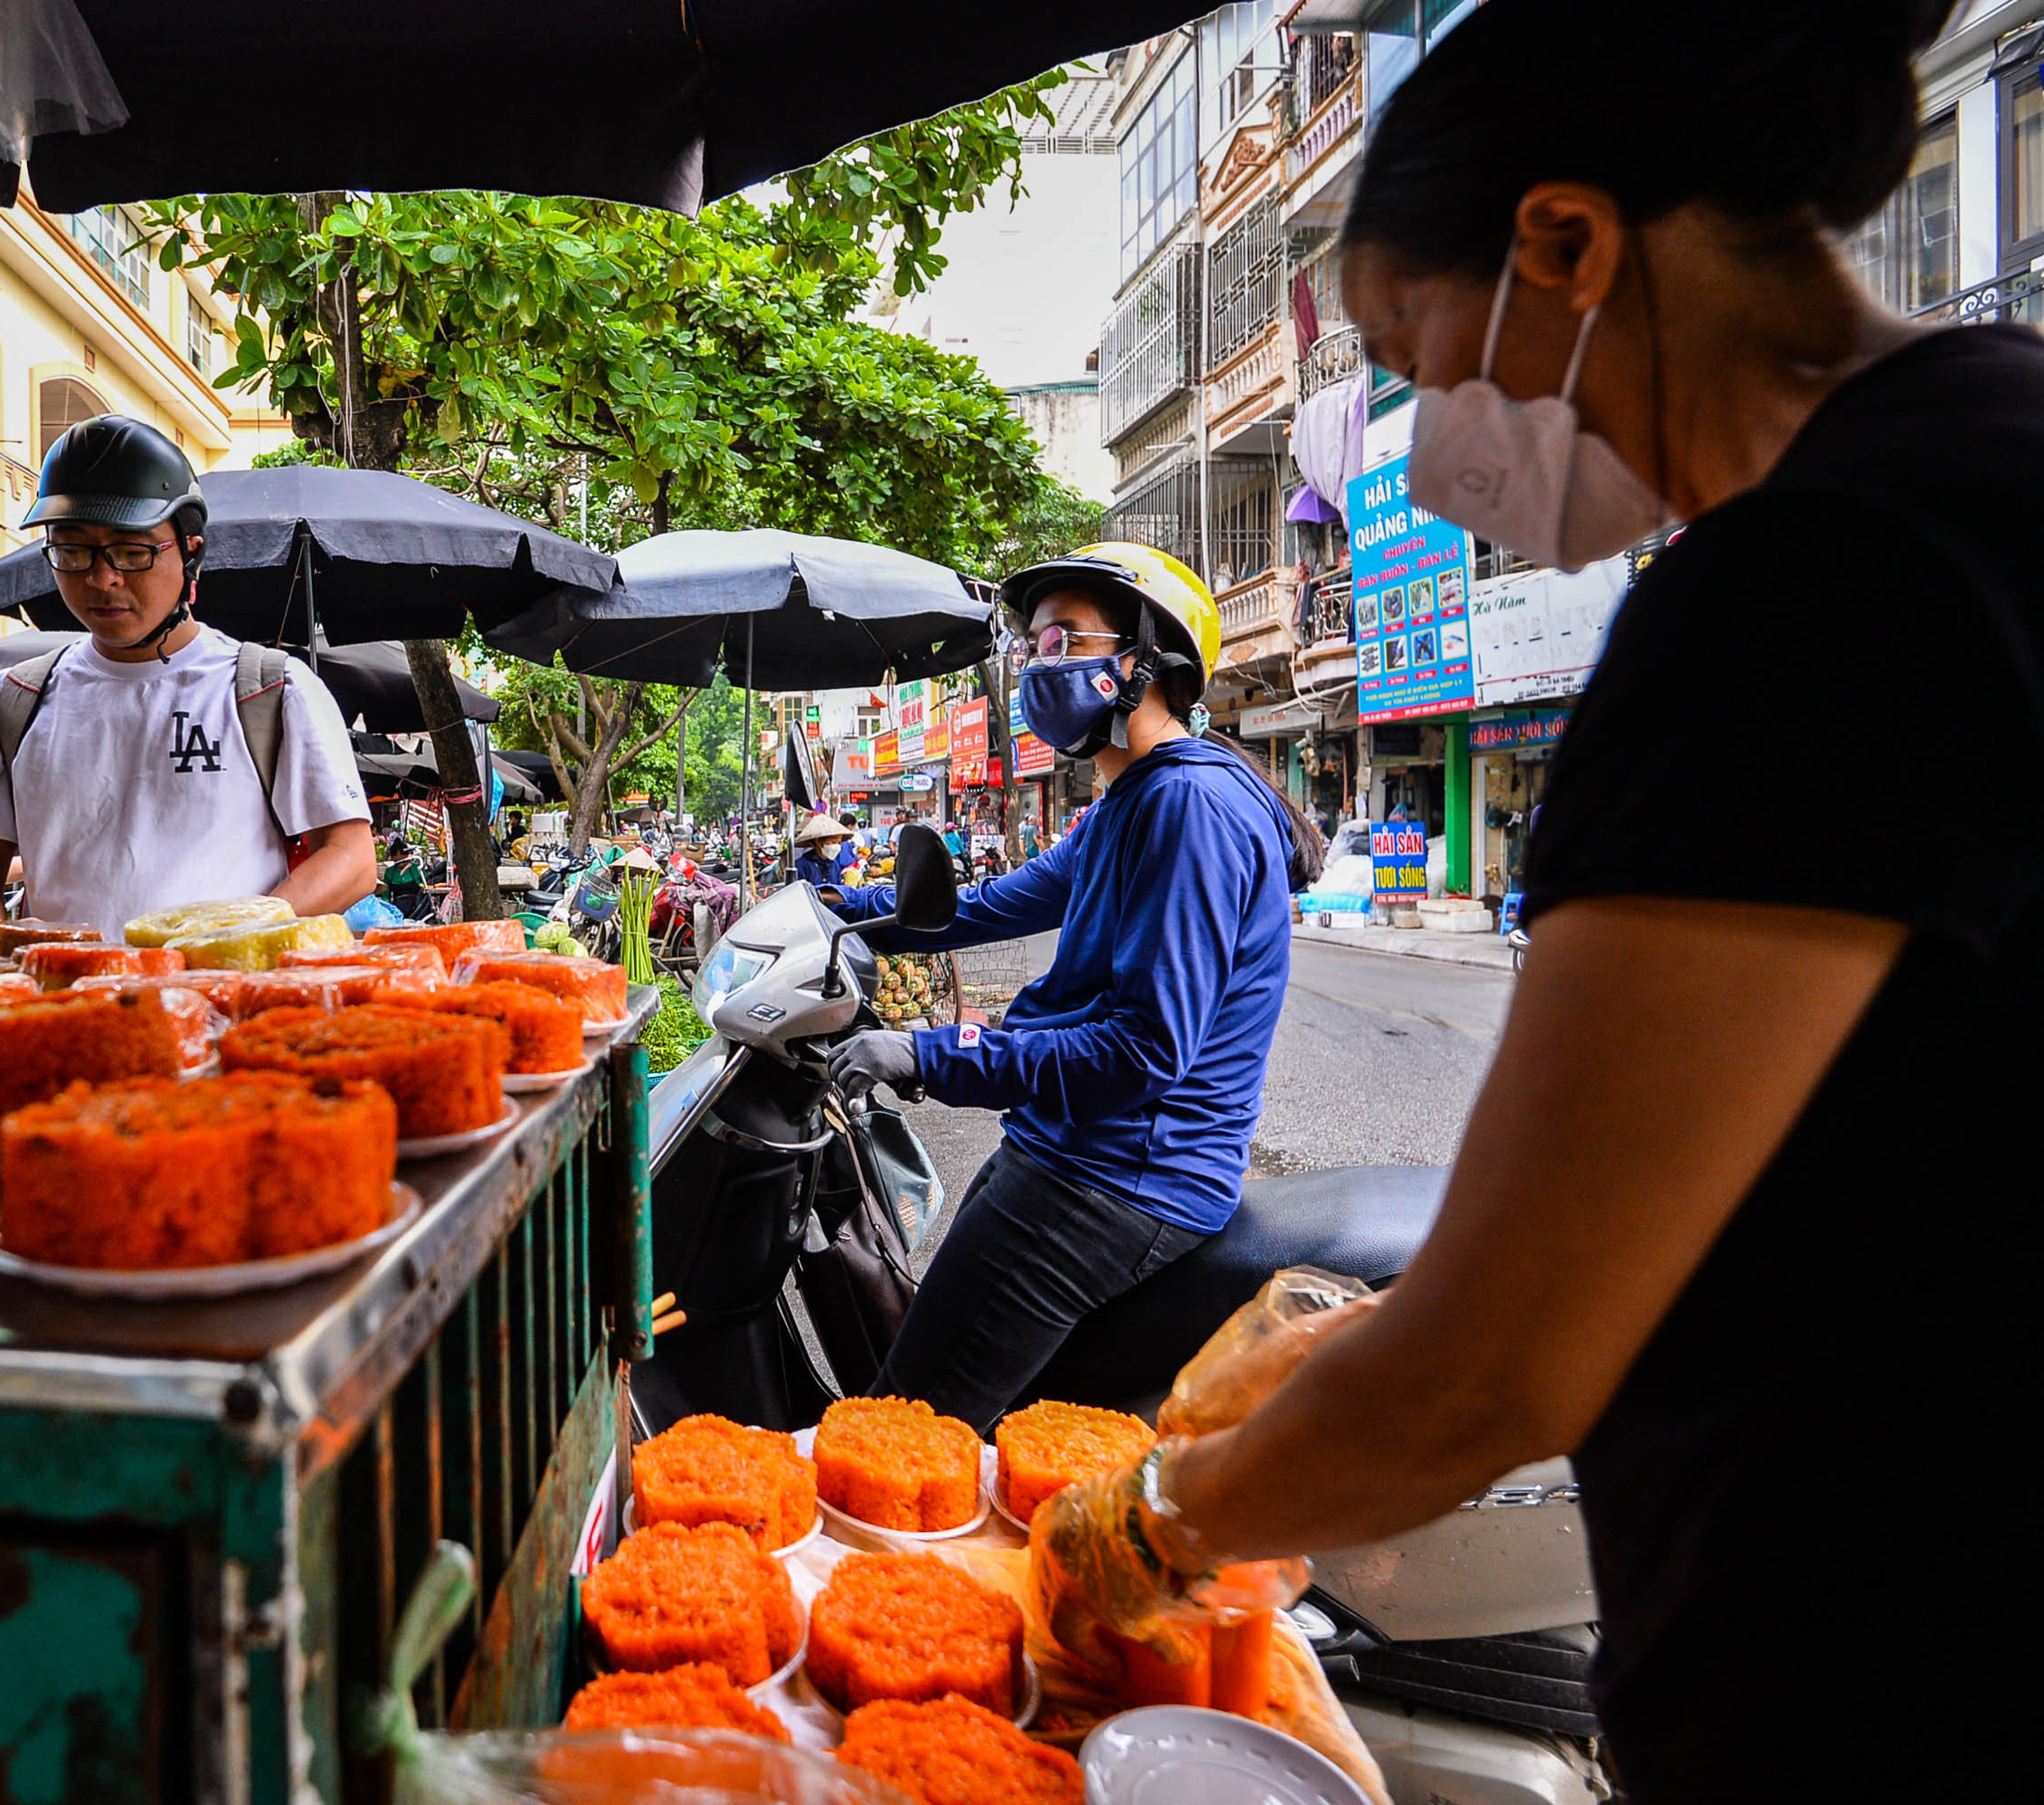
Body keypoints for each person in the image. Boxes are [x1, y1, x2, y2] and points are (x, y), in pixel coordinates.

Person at [1070, 6, 2039, 1802]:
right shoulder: (2000, 453)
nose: (1409, 451)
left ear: (1569, 246)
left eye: (1406, 356)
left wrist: (1146, 1519)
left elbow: (1496, 1369)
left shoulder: (1807, 589)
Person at [824, 543, 1326, 1429]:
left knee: (906, 1429)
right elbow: (978, 907)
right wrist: (833, 907)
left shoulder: (1188, 807)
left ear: (1142, 659)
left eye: (1063, 641)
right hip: (1075, 1150)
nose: (1037, 666)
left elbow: (1144, 1049)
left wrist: (926, 1052)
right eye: (1033, 647)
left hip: (1120, 1172)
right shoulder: (1127, 806)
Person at [0, 416, 376, 936]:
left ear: (191, 551)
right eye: (73, 552)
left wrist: (227, 939)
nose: (102, 577)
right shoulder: (12, 700)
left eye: (131, 551)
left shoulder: (270, 689)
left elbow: (349, 858)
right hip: (67, 1004)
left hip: (224, 1002)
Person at [792, 812, 854, 888]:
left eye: (839, 842)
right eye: (833, 842)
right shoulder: (801, 865)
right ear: (818, 842)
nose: (837, 846)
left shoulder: (834, 865)